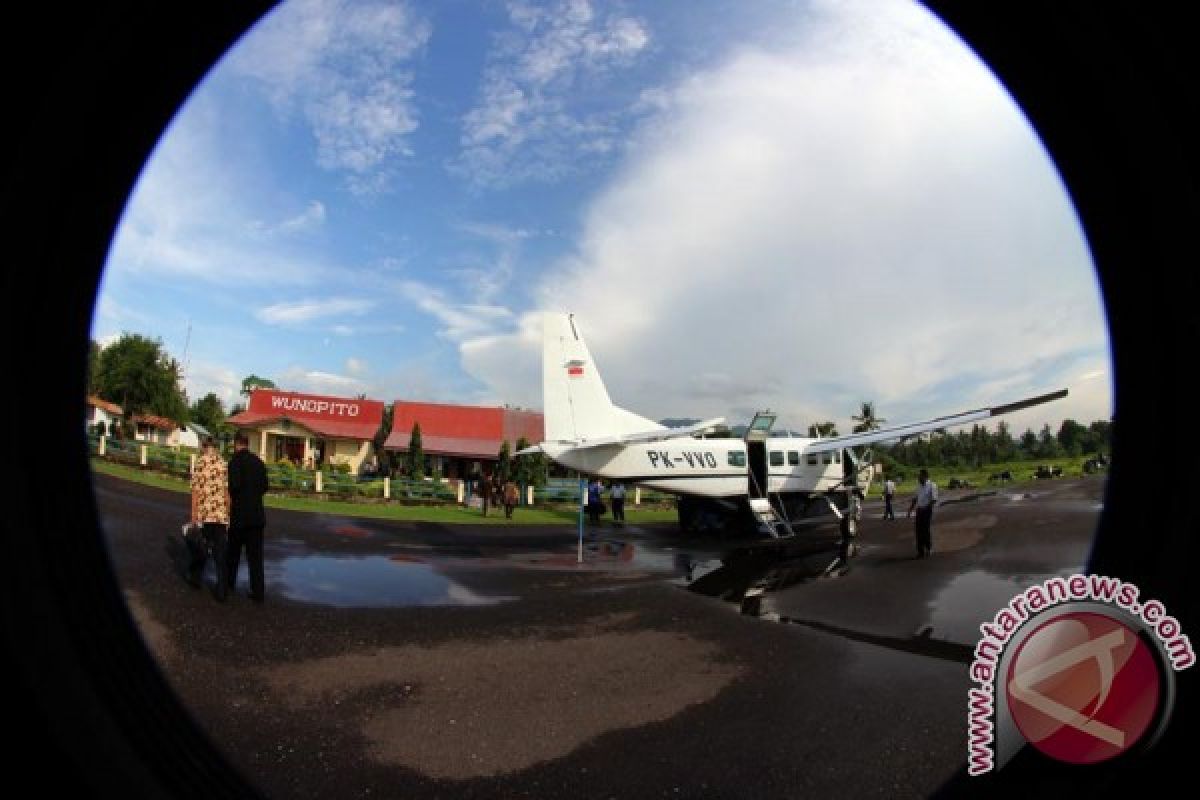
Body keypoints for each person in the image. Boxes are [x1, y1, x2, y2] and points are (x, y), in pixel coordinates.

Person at [226, 433, 269, 604]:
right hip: (257, 517)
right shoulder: (259, 463)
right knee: (255, 558)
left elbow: (233, 487)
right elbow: (265, 487)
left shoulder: (234, 462)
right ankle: (258, 592)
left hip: (239, 516)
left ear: (236, 444)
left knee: (233, 554)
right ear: (247, 444)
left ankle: (229, 585)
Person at [188, 437, 230, 601]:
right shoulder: (223, 464)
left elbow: (195, 492)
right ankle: (222, 591)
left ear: (205, 447)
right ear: (216, 447)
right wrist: (228, 513)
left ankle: (195, 578)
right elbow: (227, 493)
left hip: (204, 514)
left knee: (201, 547)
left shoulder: (199, 463)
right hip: (219, 514)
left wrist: (193, 515)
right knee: (220, 554)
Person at [907, 469, 938, 558]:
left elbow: (934, 499)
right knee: (918, 531)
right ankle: (920, 551)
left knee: (925, 530)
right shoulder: (918, 486)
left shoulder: (932, 485)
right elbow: (915, 499)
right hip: (919, 510)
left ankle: (928, 548)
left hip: (927, 510)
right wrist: (910, 510)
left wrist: (926, 507)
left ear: (925, 476)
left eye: (920, 476)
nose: (918, 477)